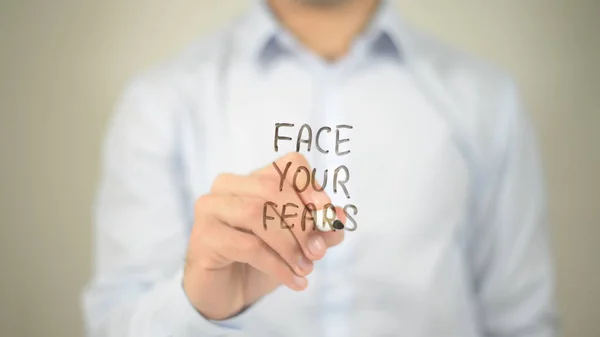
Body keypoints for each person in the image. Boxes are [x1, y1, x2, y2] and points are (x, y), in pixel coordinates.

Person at [81, 0, 559, 336]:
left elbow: (520, 322)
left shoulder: (487, 100)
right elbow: (113, 323)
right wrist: (198, 307)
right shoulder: (161, 102)